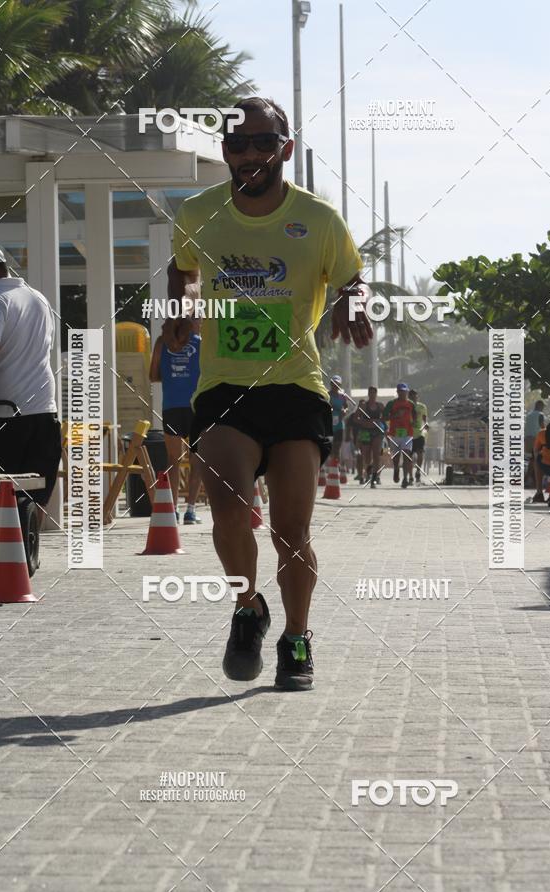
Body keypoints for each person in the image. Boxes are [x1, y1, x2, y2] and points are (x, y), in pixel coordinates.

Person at [168, 96, 372, 690]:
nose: (251, 153)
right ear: (225, 151)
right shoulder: (198, 212)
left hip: (296, 389)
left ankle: (296, 637)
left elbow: (352, 279)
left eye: (264, 142)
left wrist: (354, 305)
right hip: (225, 387)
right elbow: (184, 268)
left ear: (285, 148)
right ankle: (248, 607)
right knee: (230, 512)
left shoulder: (319, 219)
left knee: (290, 532)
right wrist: (181, 307)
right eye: (239, 143)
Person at [0, 248, 61, 526]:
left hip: (7, 414)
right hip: (44, 410)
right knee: (32, 497)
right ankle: (24, 550)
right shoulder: (39, 299)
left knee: (4, 496)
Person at [149, 316, 202, 524]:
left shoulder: (161, 343)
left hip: (171, 406)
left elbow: (153, 375)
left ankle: (173, 509)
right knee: (197, 458)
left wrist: (173, 376)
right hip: (195, 407)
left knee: (173, 459)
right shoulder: (200, 343)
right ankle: (191, 510)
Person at [384, 383, 417, 489]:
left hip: (407, 434)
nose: (402, 393)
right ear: (397, 392)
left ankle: (405, 478)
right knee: (396, 458)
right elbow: (384, 417)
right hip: (394, 434)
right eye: (400, 391)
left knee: (407, 455)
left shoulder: (411, 404)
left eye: (404, 391)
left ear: (407, 392)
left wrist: (414, 421)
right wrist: (395, 415)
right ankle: (396, 469)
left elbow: (415, 414)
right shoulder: (391, 403)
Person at [354, 387, 384, 487]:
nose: (372, 395)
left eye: (374, 393)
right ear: (368, 394)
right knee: (366, 457)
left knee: (376, 455)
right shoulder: (363, 406)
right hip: (366, 431)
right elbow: (355, 418)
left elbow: (386, 417)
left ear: (376, 394)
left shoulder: (380, 406)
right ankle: (368, 473)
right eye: (370, 393)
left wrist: (379, 421)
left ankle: (374, 479)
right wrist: (364, 422)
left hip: (377, 432)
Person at [409, 388, 428, 484]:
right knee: (409, 456)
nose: (413, 398)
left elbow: (425, 419)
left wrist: (426, 424)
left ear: (417, 397)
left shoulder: (422, 407)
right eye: (411, 397)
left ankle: (418, 471)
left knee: (420, 454)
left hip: (420, 433)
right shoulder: (407, 406)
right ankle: (410, 476)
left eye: (415, 396)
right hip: (409, 434)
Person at [525, 400, 545, 492]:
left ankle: (533, 482)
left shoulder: (529, 415)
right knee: (536, 460)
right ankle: (527, 479)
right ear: (540, 406)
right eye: (543, 407)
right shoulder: (540, 414)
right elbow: (542, 426)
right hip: (536, 439)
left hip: (527, 439)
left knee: (533, 459)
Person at [329, 374, 349, 461]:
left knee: (338, 446)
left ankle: (336, 464)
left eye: (337, 384)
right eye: (334, 383)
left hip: (339, 424)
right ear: (331, 384)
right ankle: (330, 463)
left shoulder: (342, 396)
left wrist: (344, 411)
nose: (335, 386)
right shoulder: (327, 395)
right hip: (329, 425)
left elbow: (346, 407)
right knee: (330, 447)